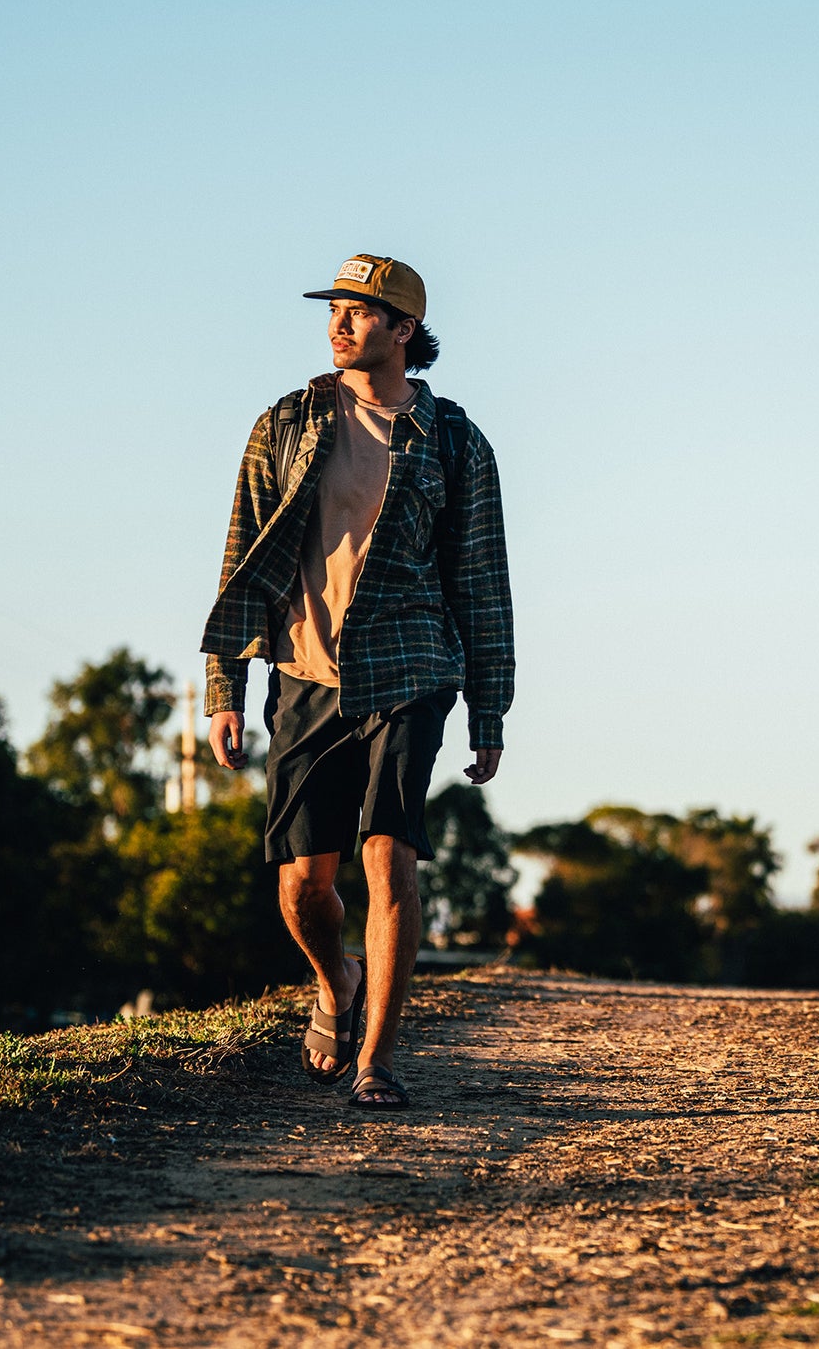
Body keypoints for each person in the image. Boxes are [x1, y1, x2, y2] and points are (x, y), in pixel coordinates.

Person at [199, 252, 513, 1110]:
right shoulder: (289, 425)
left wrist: (489, 707)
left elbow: (481, 581)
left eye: (361, 312)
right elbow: (242, 558)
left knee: (390, 857)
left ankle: (377, 1059)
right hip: (304, 670)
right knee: (304, 884)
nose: (340, 324)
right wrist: (225, 688)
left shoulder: (454, 442)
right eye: (335, 309)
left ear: (404, 331)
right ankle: (336, 979)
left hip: (411, 668)